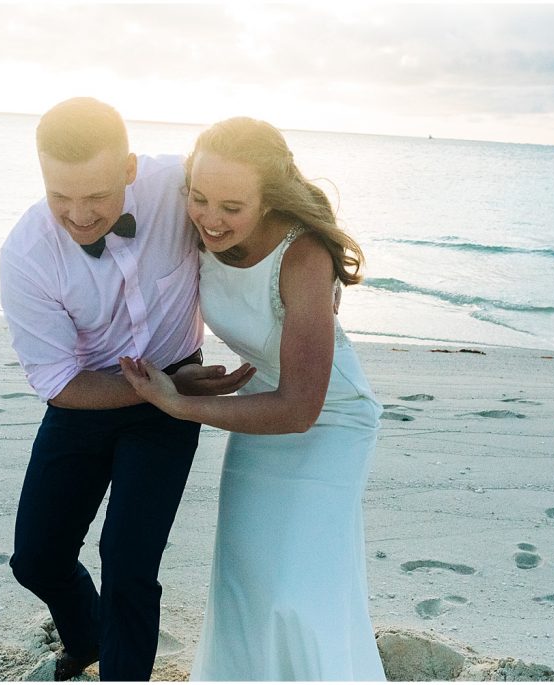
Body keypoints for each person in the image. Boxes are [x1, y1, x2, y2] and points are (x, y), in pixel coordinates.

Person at [119, 117, 386, 680]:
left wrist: (180, 404)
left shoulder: (303, 254)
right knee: (245, 580)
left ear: (270, 201)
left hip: (330, 418)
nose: (211, 219)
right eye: (199, 198)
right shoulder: (194, 222)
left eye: (232, 207)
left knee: (296, 593)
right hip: (263, 405)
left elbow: (301, 409)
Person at [0, 97, 254, 682]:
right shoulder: (27, 254)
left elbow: (262, 193)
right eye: (60, 196)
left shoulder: (177, 185)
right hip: (90, 401)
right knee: (36, 560)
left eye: (95, 196)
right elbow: (59, 383)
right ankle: (87, 638)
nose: (79, 214)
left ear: (131, 170)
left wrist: (315, 266)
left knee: (130, 563)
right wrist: (159, 388)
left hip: (175, 400)